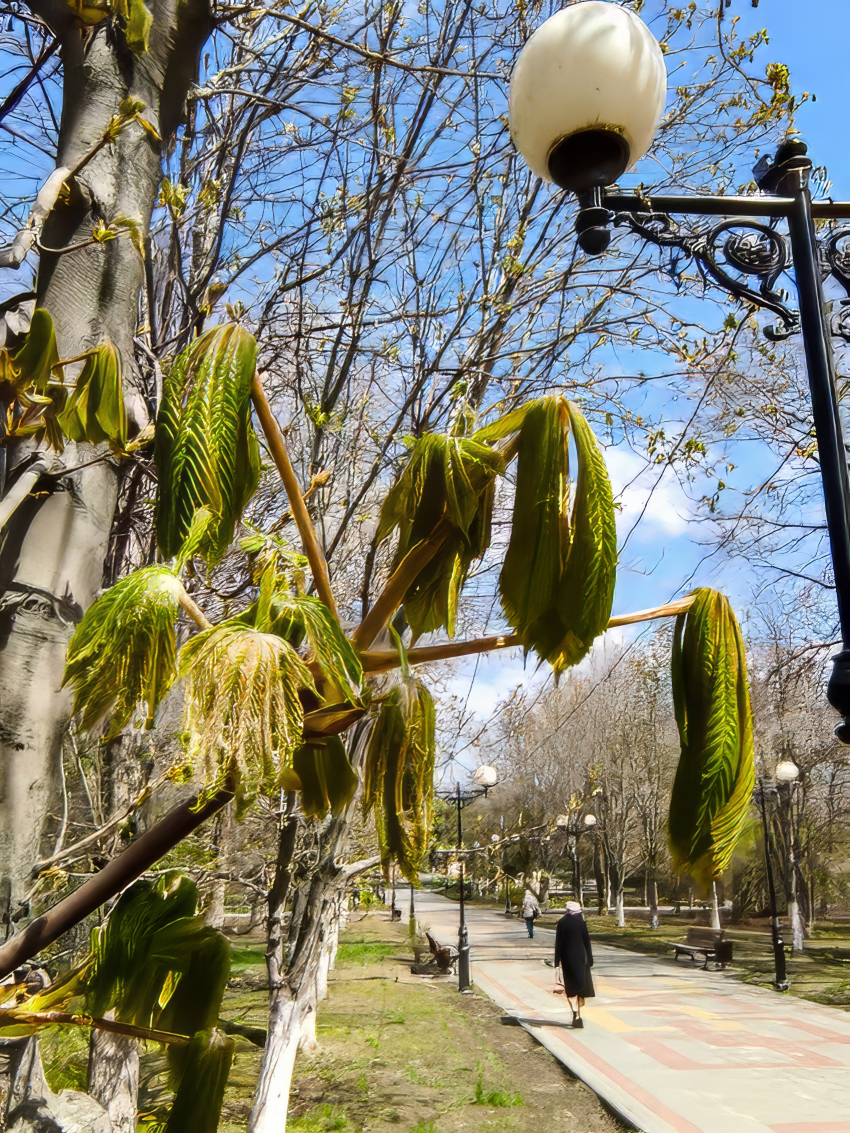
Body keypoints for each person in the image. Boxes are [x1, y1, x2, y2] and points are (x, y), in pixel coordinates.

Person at [554, 900, 594, 1028]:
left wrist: (556, 962)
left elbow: (558, 944)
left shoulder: (562, 922)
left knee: (570, 987)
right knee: (581, 986)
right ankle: (578, 1015)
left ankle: (575, 1014)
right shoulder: (580, 922)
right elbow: (586, 941)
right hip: (581, 959)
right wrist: (590, 959)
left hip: (567, 959)